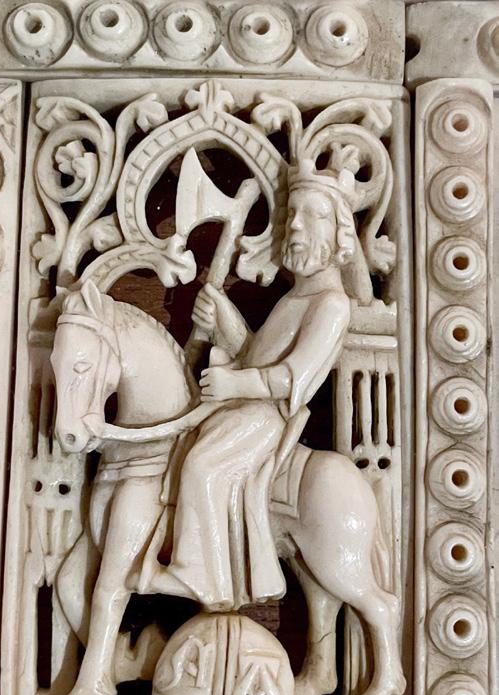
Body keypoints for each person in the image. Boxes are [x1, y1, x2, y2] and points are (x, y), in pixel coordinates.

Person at [141, 160, 369, 610]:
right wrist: (224, 322)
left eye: (313, 215)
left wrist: (234, 384)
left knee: (203, 467)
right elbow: (256, 353)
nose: (296, 226)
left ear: (339, 233)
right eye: (293, 214)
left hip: (267, 416)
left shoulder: (331, 304)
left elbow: (292, 377)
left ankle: (196, 573)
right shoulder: (295, 296)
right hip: (243, 405)